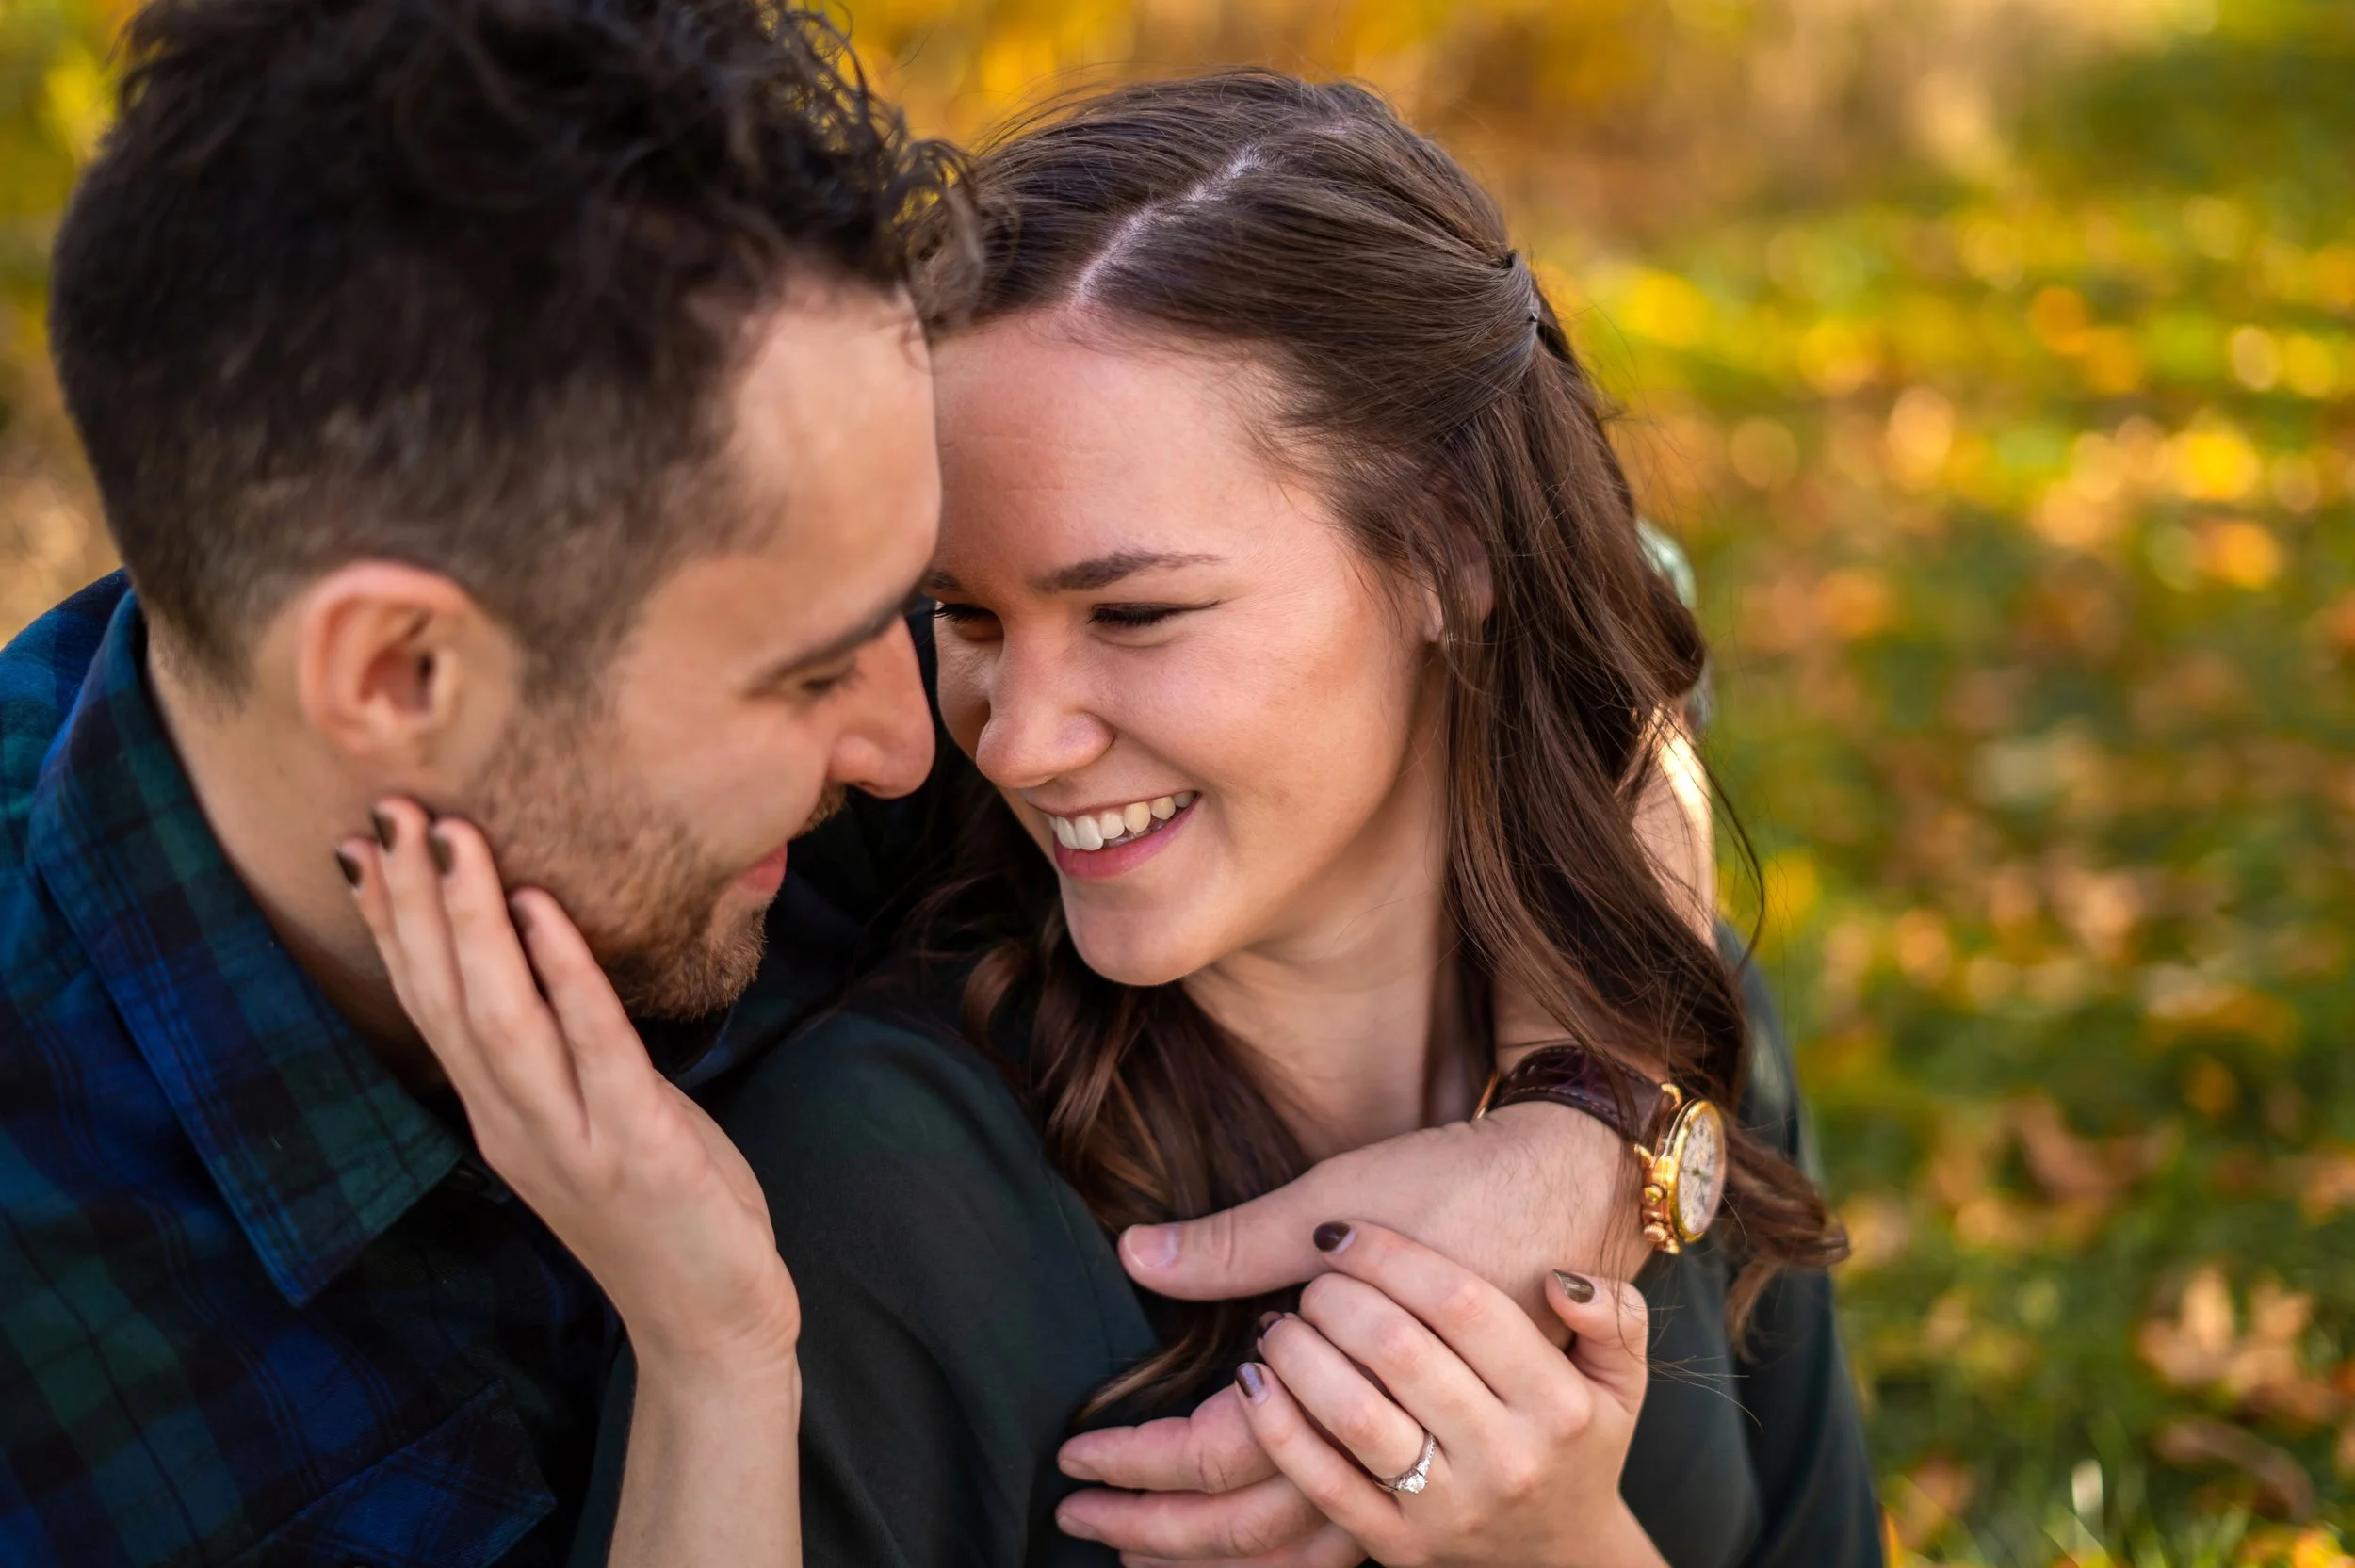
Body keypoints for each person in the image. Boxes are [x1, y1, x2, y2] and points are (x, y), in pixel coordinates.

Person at [0, 7, 1736, 1566]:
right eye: (813, 664)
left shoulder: (822, 707)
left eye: (919, 608)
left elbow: (1584, 649)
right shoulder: (55, 1302)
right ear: (397, 679)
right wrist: (717, 1350)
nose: (936, 742)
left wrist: (1580, 1132)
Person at [366, 72, 1883, 1568]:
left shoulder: (1664, 1046)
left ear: (1448, 547)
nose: (1018, 743)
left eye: (1137, 614)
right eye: (966, 615)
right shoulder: (887, 1197)